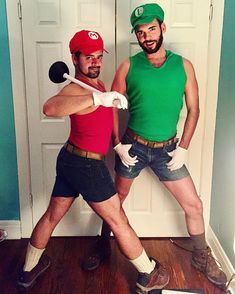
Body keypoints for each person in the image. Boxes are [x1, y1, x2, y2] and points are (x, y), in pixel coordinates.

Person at [82, 4, 227, 290]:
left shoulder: (183, 65)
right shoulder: (128, 65)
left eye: (150, 28)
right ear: (136, 36)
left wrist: (183, 147)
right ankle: (102, 245)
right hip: (132, 146)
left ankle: (201, 255)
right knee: (114, 204)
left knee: (194, 205)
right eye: (140, 31)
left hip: (167, 151)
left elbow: (194, 109)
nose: (146, 36)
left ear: (162, 27)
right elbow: (110, 104)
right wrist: (116, 144)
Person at [17, 29, 170, 293]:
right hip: (86, 166)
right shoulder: (75, 89)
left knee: (52, 215)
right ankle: (148, 274)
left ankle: (27, 271)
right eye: (89, 57)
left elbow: (103, 117)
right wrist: (97, 98)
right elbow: (50, 108)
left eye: (99, 56)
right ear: (74, 59)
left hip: (70, 160)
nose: (96, 62)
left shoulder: (97, 84)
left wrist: (117, 143)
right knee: (118, 221)